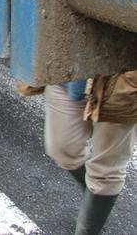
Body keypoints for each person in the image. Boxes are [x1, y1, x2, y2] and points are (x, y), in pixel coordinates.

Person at [44, 74, 136, 235]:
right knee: (62, 149)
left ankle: (89, 228)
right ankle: (95, 196)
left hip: (122, 79)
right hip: (68, 72)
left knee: (106, 170)